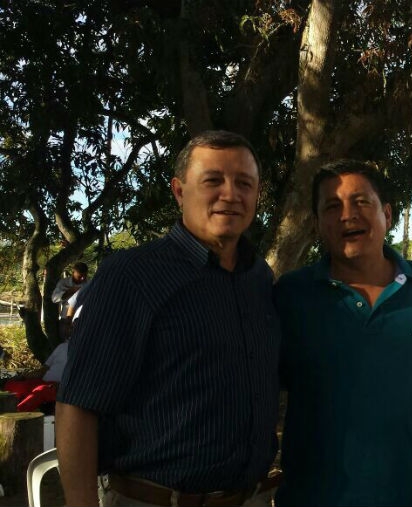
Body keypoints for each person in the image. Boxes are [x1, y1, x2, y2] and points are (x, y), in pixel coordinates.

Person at [55, 130, 281, 507]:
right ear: (179, 191)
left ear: (257, 194)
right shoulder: (132, 276)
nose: (230, 194)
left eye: (244, 183)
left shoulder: (259, 278)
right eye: (213, 180)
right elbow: (77, 404)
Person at [274, 160, 412, 506]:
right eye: (332, 206)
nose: (347, 215)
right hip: (312, 498)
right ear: (316, 224)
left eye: (361, 202)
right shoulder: (290, 295)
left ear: (387, 213)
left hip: (411, 497)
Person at [2, 340, 68, 412]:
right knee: (15, 385)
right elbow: (43, 370)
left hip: (60, 387)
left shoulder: (77, 352)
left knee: (41, 391)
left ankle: (18, 414)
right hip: (43, 381)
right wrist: (25, 376)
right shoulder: (62, 347)